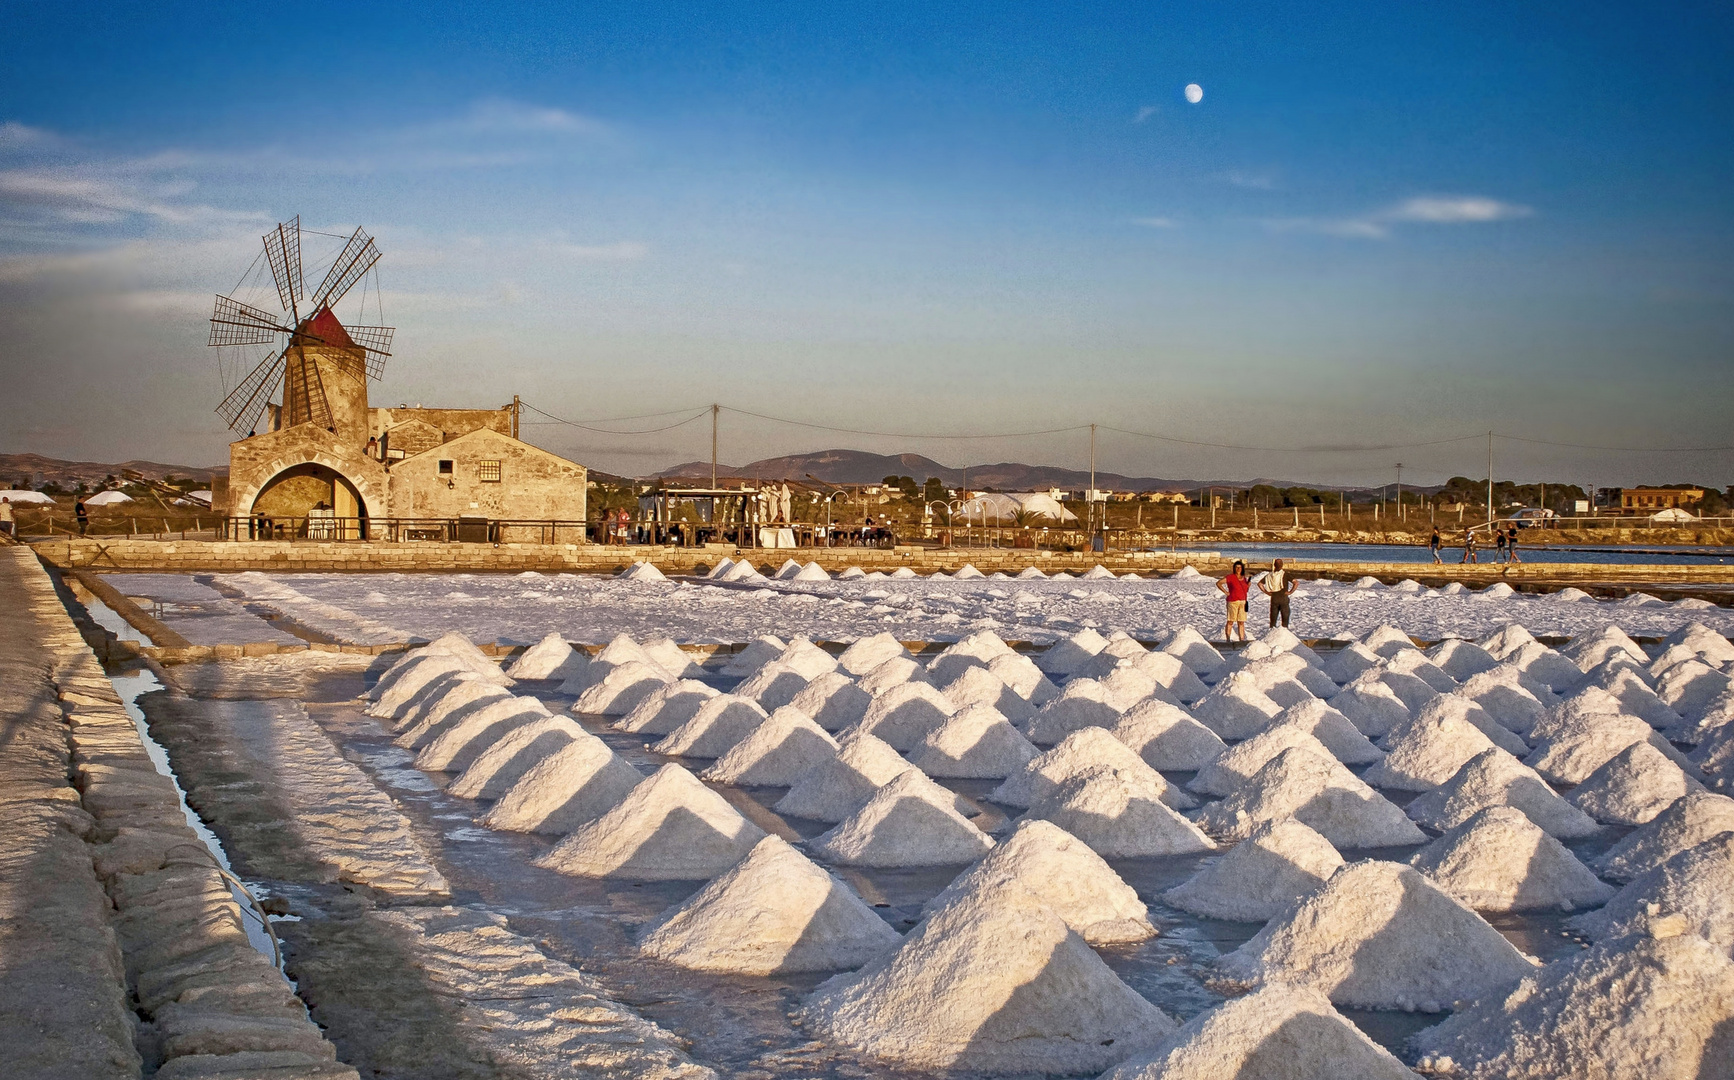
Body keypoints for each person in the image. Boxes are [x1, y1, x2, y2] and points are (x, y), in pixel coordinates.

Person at [1217, 560, 1252, 642]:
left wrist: (1248, 586)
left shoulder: (1244, 578)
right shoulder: (1230, 577)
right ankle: (1228, 639)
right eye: (1236, 567)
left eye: (1240, 567)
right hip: (1233, 601)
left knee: (1241, 622)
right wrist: (1225, 592)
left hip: (1243, 601)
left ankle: (1241, 639)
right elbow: (1219, 583)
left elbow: (1245, 590)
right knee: (1230, 621)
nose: (1238, 569)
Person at [1258, 558, 1297, 629]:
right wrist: (1291, 592)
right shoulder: (1285, 574)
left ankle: (1272, 635)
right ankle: (1284, 635)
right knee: (1285, 620)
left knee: (1273, 621)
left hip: (1274, 598)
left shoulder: (1270, 575)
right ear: (1282, 565)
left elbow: (1260, 584)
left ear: (1274, 565)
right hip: (1283, 598)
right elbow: (1296, 582)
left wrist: (1266, 592)